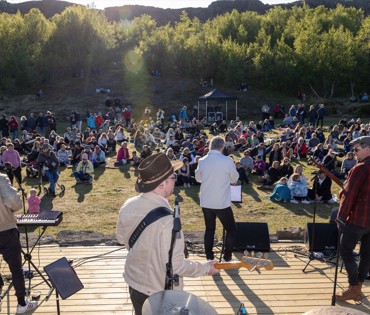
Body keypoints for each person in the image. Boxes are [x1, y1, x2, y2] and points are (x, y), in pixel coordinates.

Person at [116, 153, 219, 315]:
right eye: (173, 176)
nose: (175, 180)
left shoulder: (128, 205)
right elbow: (177, 266)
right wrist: (205, 268)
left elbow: (121, 239)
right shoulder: (168, 220)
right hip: (159, 291)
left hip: (134, 281)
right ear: (162, 184)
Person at [336, 136, 370, 301]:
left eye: (356, 149)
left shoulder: (360, 168)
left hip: (358, 218)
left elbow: (350, 195)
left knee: (345, 251)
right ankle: (358, 287)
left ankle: (354, 286)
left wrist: (341, 217)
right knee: (366, 254)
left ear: (367, 149)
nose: (354, 153)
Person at [195, 136, 239, 262]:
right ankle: (227, 257)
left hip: (206, 202)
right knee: (231, 229)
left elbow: (198, 179)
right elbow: (235, 178)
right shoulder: (227, 161)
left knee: (209, 229)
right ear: (222, 147)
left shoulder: (202, 160)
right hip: (222, 203)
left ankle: (210, 258)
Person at [0, 174, 38, 313]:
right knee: (16, 269)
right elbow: (15, 203)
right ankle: (22, 304)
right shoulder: (1, 178)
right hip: (5, 230)